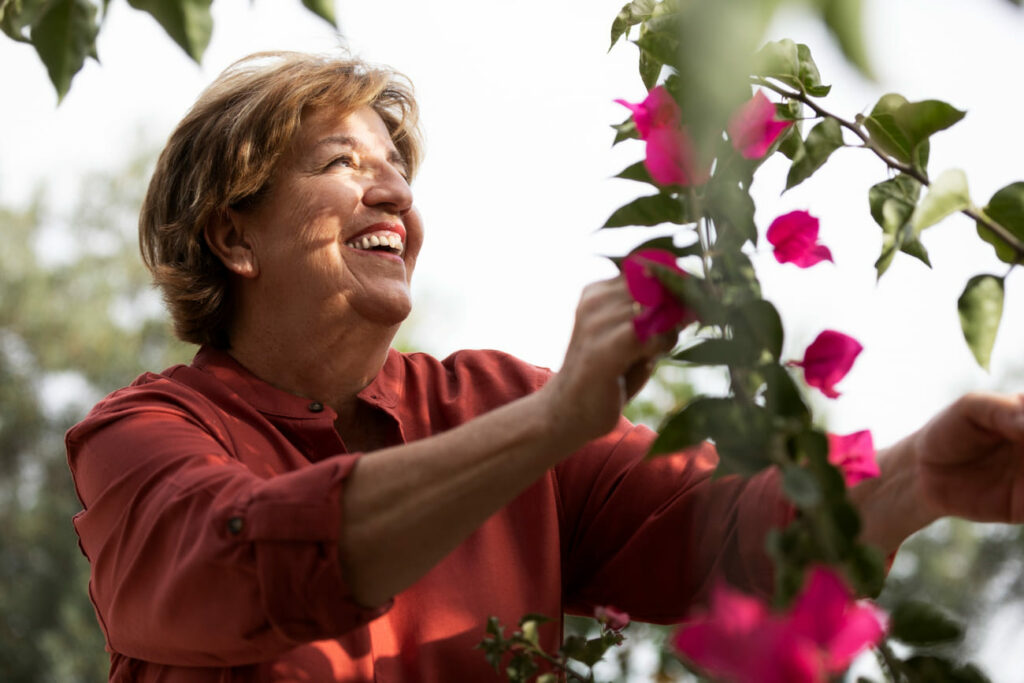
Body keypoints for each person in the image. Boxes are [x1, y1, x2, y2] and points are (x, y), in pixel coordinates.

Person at [66, 51, 1024, 682]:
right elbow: (241, 563)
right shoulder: (140, 439)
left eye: (398, 168)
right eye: (339, 163)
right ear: (233, 235)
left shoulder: (490, 399)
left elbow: (727, 535)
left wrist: (917, 478)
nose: (395, 187)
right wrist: (551, 422)